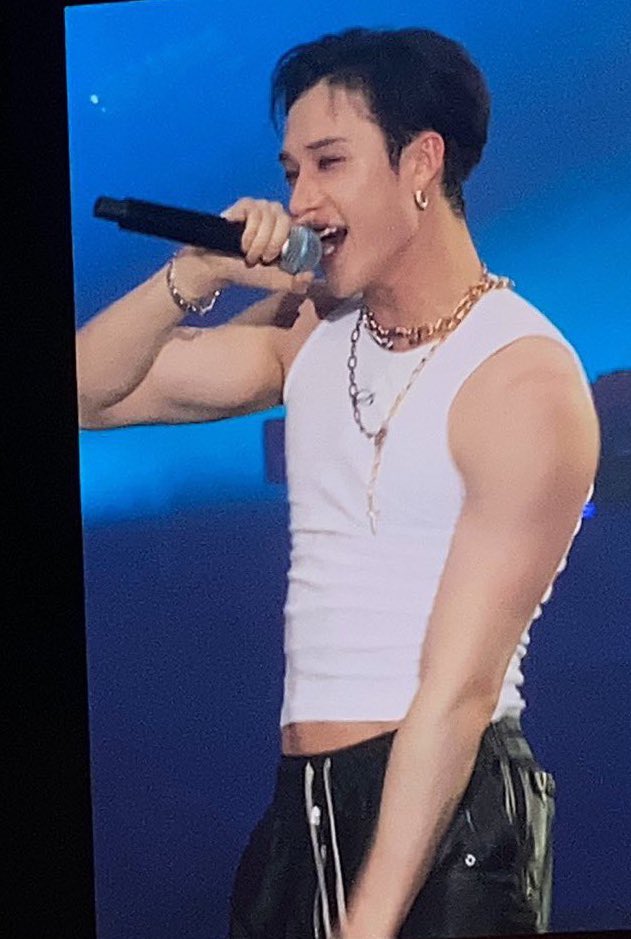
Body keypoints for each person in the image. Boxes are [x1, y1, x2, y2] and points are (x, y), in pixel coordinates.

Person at [76, 26, 600, 939]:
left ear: (420, 163)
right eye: (291, 172)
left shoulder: (519, 379)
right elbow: (87, 393)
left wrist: (368, 923)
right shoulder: (311, 333)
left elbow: (456, 695)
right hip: (305, 805)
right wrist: (195, 272)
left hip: (451, 809)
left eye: (328, 163)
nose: (300, 202)